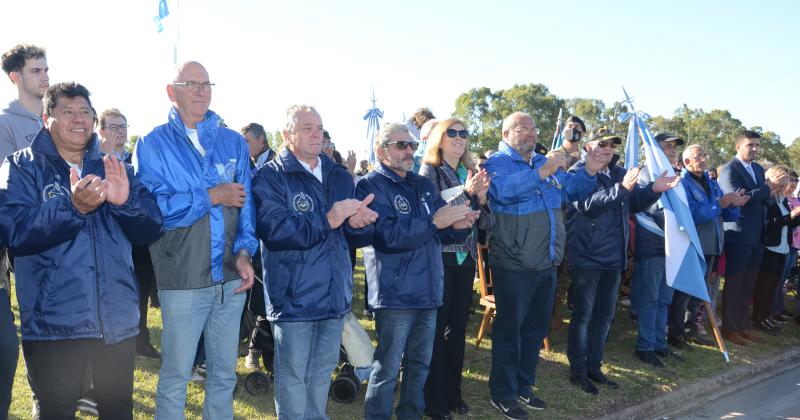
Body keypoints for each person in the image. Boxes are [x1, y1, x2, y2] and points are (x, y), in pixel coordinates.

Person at [0, 81, 162, 419]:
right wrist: (71, 208)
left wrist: (125, 203)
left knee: (118, 410)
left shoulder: (116, 169)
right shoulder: (21, 167)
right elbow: (15, 232)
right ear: (47, 119)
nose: (79, 119)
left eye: (85, 112)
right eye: (68, 112)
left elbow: (151, 228)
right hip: (53, 325)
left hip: (115, 323)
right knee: (56, 411)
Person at [133, 61, 258, 419]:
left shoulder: (232, 140)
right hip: (182, 278)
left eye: (207, 84)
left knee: (223, 376)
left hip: (230, 280)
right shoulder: (153, 143)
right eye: (192, 84)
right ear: (172, 92)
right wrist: (211, 196)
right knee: (176, 375)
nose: (202, 90)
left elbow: (247, 211)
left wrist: (245, 252)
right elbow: (156, 211)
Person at [252, 104, 376, 419]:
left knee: (321, 375)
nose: (316, 133)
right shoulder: (270, 176)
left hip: (334, 296)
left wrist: (361, 226)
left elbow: (350, 236)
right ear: (286, 134)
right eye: (307, 127)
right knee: (292, 379)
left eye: (319, 127)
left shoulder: (338, 175)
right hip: (294, 298)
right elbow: (275, 230)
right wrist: (329, 218)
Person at [483, 111, 605, 419]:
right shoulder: (496, 163)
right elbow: (501, 193)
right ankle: (503, 393)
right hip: (514, 264)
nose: (532, 134)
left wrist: (589, 169)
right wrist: (542, 171)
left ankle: (524, 385)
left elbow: (574, 191)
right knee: (510, 331)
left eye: (534, 129)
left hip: (547, 262)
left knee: (535, 330)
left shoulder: (541, 161)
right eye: (524, 129)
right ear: (507, 132)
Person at [357, 122, 478, 420]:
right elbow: (387, 237)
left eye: (411, 145)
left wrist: (457, 227)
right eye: (401, 145)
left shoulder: (422, 185)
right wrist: (437, 223)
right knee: (386, 369)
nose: (409, 150)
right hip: (395, 293)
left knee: (420, 366)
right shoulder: (370, 185)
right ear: (380, 150)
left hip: (429, 291)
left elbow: (437, 232)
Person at [565, 130, 673, 394]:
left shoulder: (618, 172)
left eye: (612, 145)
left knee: (604, 317)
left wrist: (652, 191)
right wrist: (621, 189)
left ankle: (594, 366)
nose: (607, 149)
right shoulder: (578, 172)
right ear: (588, 146)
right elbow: (588, 205)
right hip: (587, 257)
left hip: (614, 258)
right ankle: (578, 371)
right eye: (601, 144)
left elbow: (632, 203)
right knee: (583, 317)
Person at [419, 118, 494, 418]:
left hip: (466, 262)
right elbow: (435, 215)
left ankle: (453, 395)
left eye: (464, 133)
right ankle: (434, 402)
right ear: (439, 138)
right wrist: (466, 192)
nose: (460, 137)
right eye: (453, 132)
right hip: (440, 258)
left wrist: (484, 199)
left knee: (457, 330)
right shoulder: (429, 172)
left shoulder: (470, 171)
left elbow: (487, 224)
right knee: (437, 332)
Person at [0, 42, 49, 418]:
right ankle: (40, 396)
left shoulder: (51, 122)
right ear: (16, 77)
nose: (45, 76)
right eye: (36, 70)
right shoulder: (4, 124)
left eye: (46, 69)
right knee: (31, 324)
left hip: (61, 236)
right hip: (25, 243)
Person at [679, 144, 748, 346]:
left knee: (701, 291)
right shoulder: (683, 183)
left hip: (712, 244)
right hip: (694, 244)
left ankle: (692, 328)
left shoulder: (711, 183)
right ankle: (678, 330)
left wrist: (734, 204)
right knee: (685, 291)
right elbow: (694, 214)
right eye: (698, 156)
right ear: (687, 162)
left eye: (705, 155)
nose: (703, 159)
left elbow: (725, 214)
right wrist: (721, 203)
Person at [717, 130, 780, 345]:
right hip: (739, 234)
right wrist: (767, 189)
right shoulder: (729, 170)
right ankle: (730, 328)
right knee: (735, 283)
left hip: (758, 235)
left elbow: (764, 199)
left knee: (749, 283)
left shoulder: (758, 169)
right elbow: (738, 199)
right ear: (738, 146)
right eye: (750, 145)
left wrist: (767, 193)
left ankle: (743, 325)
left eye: (756, 145)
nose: (754, 149)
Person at [631, 133, 686, 367]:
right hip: (653, 244)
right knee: (649, 299)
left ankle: (659, 343)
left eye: (674, 147)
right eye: (667, 146)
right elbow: (643, 205)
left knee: (664, 298)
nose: (672, 150)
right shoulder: (646, 173)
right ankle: (645, 346)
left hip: (672, 247)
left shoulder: (675, 175)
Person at [752, 165, 800, 334]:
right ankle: (758, 318)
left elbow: (788, 223)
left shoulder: (783, 200)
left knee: (773, 285)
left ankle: (766, 316)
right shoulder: (769, 200)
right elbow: (768, 225)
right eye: (783, 179)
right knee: (764, 286)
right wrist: (790, 216)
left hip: (783, 248)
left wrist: (796, 216)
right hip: (770, 248)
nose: (787, 182)